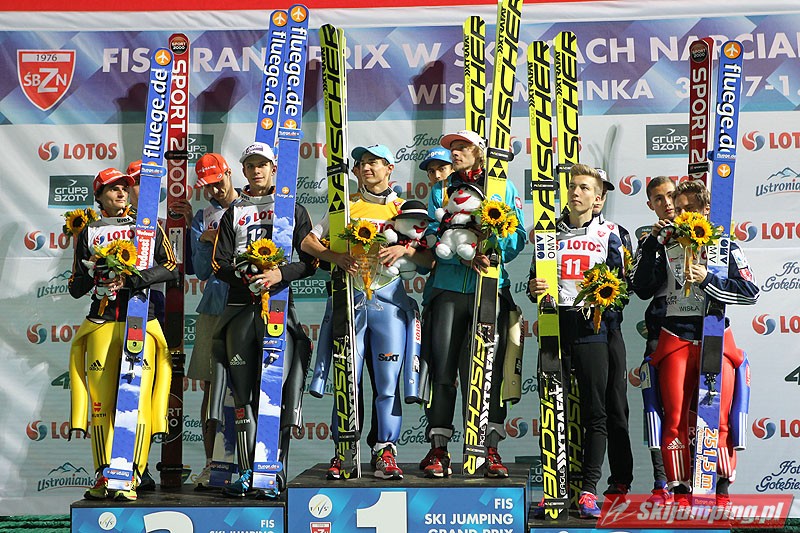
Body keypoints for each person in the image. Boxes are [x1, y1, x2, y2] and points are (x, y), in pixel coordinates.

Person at [303, 144, 432, 481]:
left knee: (387, 384)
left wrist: (404, 249)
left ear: (390, 168)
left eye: (374, 162)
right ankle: (344, 451)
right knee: (347, 380)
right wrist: (336, 257)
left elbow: (429, 260)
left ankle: (385, 451)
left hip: (389, 306)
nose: (367, 168)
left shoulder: (403, 208)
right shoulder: (345, 206)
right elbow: (308, 242)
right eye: (361, 164)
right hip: (352, 303)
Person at [631, 179, 757, 508]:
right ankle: (680, 491)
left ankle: (721, 490)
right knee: (674, 419)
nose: (682, 214)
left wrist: (709, 279)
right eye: (679, 208)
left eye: (689, 208)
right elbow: (641, 287)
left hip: (715, 337)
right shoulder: (665, 242)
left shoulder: (725, 246)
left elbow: (751, 292)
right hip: (675, 338)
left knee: (718, 418)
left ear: (705, 210)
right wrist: (651, 244)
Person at [419, 130, 526, 480]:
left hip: (490, 287)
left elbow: (518, 237)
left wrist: (490, 246)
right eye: (452, 148)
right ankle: (438, 449)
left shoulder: (503, 187)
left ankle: (488, 447)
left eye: (462, 147)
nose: (456, 153)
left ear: (480, 151)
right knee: (443, 368)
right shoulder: (441, 189)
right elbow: (430, 234)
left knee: (488, 370)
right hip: (447, 289)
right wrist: (462, 257)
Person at [210, 142, 315, 497]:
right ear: (243, 171)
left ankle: (273, 470)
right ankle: (245, 471)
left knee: (277, 393)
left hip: (278, 308)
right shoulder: (234, 211)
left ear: (274, 169)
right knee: (243, 395)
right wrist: (246, 276)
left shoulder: (292, 208)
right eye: (251, 165)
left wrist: (278, 275)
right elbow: (219, 263)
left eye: (263, 165)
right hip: (241, 307)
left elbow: (310, 261)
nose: (256, 171)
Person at [69, 167, 178, 501]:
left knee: (137, 402)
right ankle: (105, 474)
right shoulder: (89, 231)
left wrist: (132, 279)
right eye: (112, 189)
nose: (120, 193)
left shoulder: (145, 225)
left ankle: (132, 474)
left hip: (140, 320)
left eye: (124, 187)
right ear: (99, 196)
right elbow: (75, 287)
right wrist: (94, 272)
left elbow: (170, 267)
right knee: (101, 405)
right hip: (102, 322)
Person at [527, 164, 625, 518]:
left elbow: (622, 287)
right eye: (572, 186)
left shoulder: (610, 233)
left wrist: (606, 297)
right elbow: (533, 281)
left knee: (595, 411)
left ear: (597, 198)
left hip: (591, 329)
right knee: (552, 409)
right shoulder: (548, 233)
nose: (575, 192)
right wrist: (534, 287)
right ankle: (554, 489)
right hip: (555, 327)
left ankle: (588, 490)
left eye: (584, 187)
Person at [185, 153, 240, 489]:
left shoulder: (253, 206)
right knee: (211, 387)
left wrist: (216, 241)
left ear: (229, 173)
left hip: (248, 305)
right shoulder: (203, 217)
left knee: (245, 386)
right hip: (214, 305)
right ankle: (211, 464)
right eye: (208, 186)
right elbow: (203, 271)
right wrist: (205, 244)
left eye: (219, 182)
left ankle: (245, 463)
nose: (215, 190)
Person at [630, 175, 676, 504]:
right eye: (659, 199)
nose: (667, 203)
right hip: (660, 333)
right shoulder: (648, 240)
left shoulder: (701, 232)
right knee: (655, 405)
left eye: (671, 195)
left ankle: (696, 480)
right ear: (651, 205)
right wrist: (653, 245)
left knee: (698, 405)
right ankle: (661, 481)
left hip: (697, 330)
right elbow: (642, 289)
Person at [592, 171, 634, 498]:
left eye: (601, 192)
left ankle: (620, 478)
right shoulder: (557, 231)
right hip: (569, 330)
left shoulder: (618, 233)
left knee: (616, 404)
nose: (596, 197)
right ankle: (575, 481)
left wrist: (606, 293)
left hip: (609, 327)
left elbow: (627, 284)